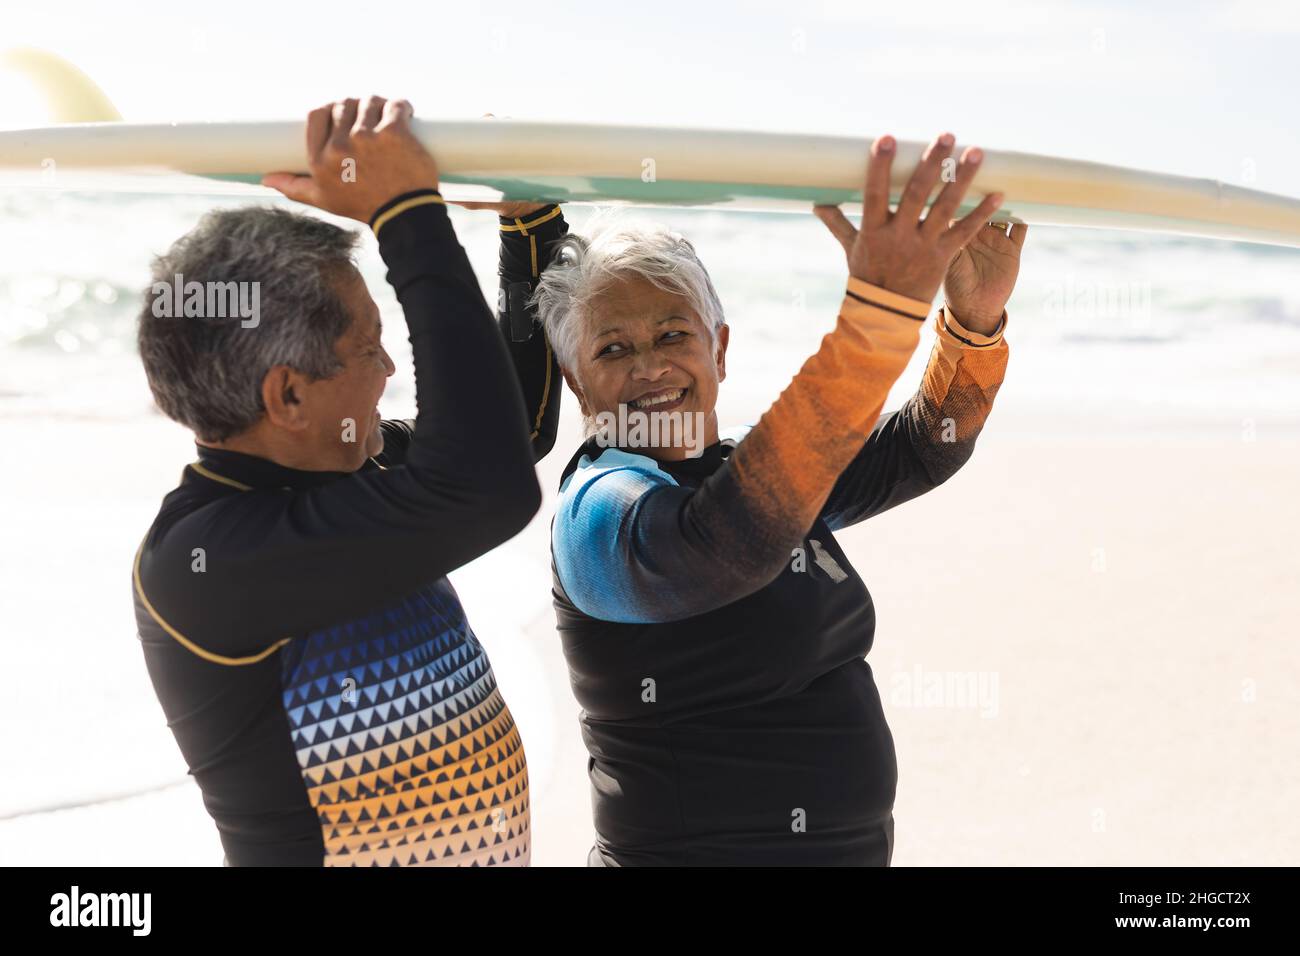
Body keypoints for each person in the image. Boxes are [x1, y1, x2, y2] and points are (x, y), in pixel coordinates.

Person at [513, 132, 1026, 864]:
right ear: (575, 381)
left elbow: (925, 445)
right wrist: (878, 311)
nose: (651, 365)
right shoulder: (596, 511)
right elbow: (720, 548)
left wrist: (971, 323)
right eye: (613, 348)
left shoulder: (762, 471)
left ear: (719, 348)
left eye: (672, 332)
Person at [133, 96, 542, 866]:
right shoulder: (211, 563)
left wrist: (529, 230)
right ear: (288, 396)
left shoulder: (341, 471)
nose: (391, 370)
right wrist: (407, 215)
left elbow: (508, 436)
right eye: (369, 350)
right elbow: (491, 485)